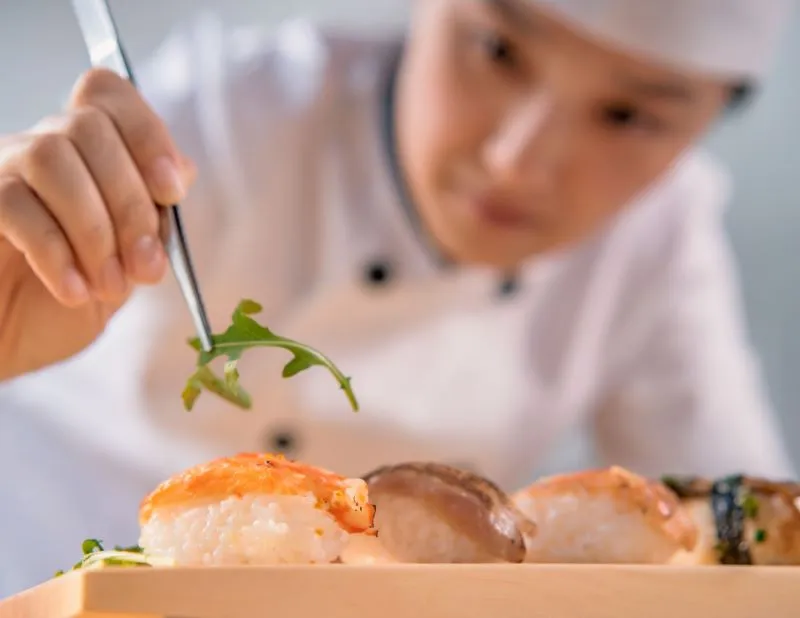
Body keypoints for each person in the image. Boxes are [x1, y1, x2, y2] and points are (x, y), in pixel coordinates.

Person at [0, 0, 795, 594]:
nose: (518, 158)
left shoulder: (661, 241)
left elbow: (754, 543)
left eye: (627, 114)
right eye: (496, 49)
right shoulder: (218, 118)